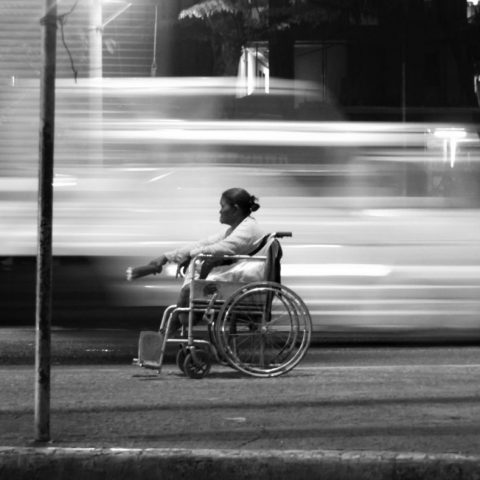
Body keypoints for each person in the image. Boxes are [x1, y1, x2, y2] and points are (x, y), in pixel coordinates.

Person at [149, 187, 265, 335]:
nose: (220, 211)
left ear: (235, 209)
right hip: (237, 280)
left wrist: (191, 255)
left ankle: (172, 327)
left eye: (223, 206)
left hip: (243, 285)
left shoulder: (248, 229)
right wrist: (168, 256)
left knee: (189, 290)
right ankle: (173, 326)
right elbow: (204, 244)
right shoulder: (238, 228)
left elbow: (221, 248)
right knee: (191, 287)